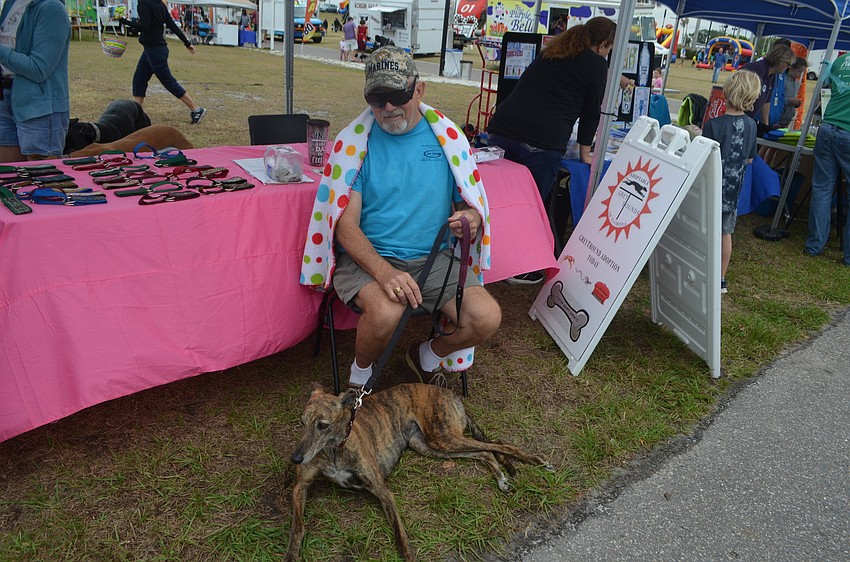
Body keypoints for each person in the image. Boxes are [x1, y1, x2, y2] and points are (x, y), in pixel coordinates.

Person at [300, 46, 499, 389]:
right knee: (386, 311)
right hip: (367, 260)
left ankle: (429, 354)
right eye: (378, 98)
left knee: (487, 318)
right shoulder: (355, 146)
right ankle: (360, 376)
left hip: (432, 260)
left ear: (418, 90)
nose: (388, 107)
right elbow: (344, 226)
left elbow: (466, 205)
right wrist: (385, 272)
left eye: (398, 94)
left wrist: (470, 219)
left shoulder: (447, 140)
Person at [485, 16, 630, 284]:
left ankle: (485, 255)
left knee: (498, 198)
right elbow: (590, 115)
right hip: (541, 142)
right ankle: (517, 267)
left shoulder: (554, 52)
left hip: (502, 129)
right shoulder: (596, 63)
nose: (608, 54)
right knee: (530, 204)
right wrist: (586, 152)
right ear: (602, 45)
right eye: (609, 49)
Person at [700, 70, 761, 294]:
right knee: (725, 233)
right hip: (732, 192)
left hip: (710, 190)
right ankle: (721, 279)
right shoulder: (752, 126)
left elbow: (703, 158)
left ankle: (700, 270)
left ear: (725, 93)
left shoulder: (713, 125)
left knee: (703, 231)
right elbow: (751, 157)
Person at [0, 0, 70, 162]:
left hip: (39, 107)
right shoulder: (11, 4)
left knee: (43, 179)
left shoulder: (52, 9)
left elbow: (39, 69)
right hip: (6, 98)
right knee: (8, 178)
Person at [120, 0, 206, 125]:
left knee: (167, 81)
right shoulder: (159, 4)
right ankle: (137, 114)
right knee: (139, 79)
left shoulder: (144, 3)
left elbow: (145, 26)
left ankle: (196, 109)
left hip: (155, 50)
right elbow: (171, 24)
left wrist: (124, 21)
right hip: (153, 49)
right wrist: (187, 43)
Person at [804, 52, 850, 267]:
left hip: (828, 128)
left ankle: (814, 245)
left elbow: (828, 90)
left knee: (822, 189)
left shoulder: (841, 60)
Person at [740, 42, 796, 135]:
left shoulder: (772, 75)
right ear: (781, 61)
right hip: (740, 119)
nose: (787, 68)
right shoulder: (757, 69)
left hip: (748, 121)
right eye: (787, 64)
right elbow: (741, 96)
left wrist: (765, 126)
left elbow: (766, 102)